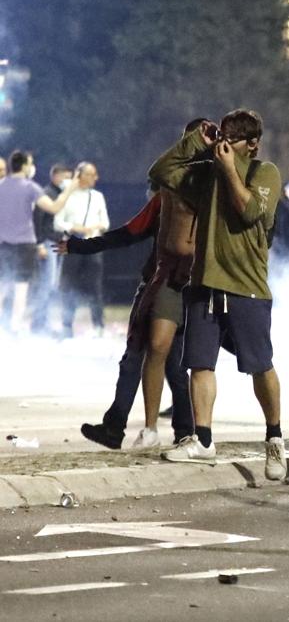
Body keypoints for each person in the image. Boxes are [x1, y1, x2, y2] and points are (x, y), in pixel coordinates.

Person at [149, 109, 287, 481]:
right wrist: (196, 142)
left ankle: (274, 436)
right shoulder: (206, 176)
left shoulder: (265, 173)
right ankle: (203, 439)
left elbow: (248, 212)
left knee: (259, 365)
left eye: (233, 139)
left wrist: (228, 168)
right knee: (200, 363)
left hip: (247, 286)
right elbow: (160, 173)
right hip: (204, 283)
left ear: (253, 143)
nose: (224, 145)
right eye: (221, 136)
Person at [72, 186, 194, 449]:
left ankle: (127, 428)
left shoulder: (172, 199)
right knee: (169, 362)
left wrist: (81, 247)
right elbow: (130, 233)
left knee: (146, 356)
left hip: (166, 285)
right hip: (177, 285)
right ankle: (182, 430)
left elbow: (128, 234)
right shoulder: (178, 199)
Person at [0, 151, 77, 333]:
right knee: (21, 287)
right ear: (25, 165)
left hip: (2, 243)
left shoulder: (1, 185)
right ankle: (14, 328)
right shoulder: (31, 187)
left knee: (2, 284)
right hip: (25, 244)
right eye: (31, 163)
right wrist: (69, 189)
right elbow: (54, 207)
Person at [54, 161, 109, 337]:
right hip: (72, 246)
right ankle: (67, 326)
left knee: (94, 288)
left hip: (92, 246)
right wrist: (74, 227)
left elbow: (106, 222)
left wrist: (98, 227)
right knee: (68, 287)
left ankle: (98, 326)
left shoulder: (97, 196)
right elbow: (57, 222)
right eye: (91, 174)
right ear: (80, 176)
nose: (95, 178)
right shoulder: (67, 196)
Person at [29, 163, 73, 335]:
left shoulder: (61, 195)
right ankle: (39, 324)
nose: (68, 181)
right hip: (48, 243)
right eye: (65, 177)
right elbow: (37, 220)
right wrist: (39, 244)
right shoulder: (47, 194)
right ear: (55, 176)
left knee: (52, 285)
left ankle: (44, 322)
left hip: (59, 243)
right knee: (47, 285)